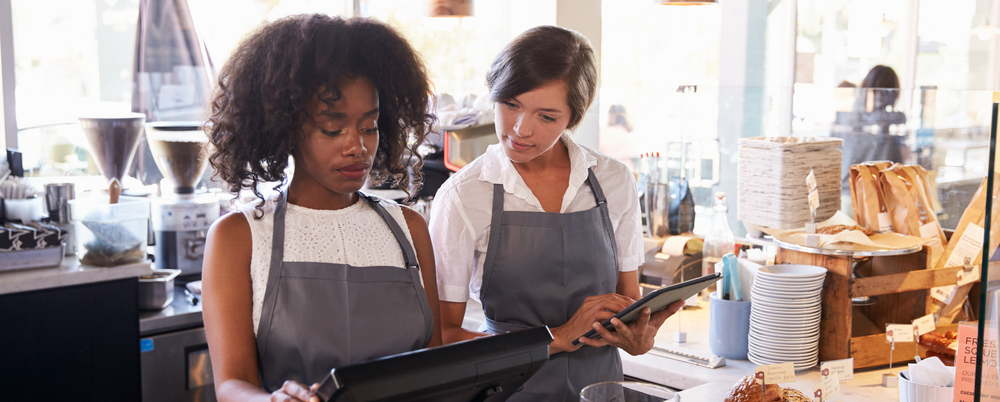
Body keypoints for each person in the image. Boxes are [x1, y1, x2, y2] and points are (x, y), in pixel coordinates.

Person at [429, 25, 683, 401]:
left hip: (601, 390)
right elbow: (442, 336)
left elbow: (627, 303)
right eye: (511, 104)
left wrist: (639, 337)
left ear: (572, 117)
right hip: (508, 391)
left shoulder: (613, 181)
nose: (519, 129)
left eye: (546, 116)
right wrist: (557, 338)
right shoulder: (464, 196)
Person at [201, 15, 441, 402]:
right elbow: (231, 384)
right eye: (333, 128)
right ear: (286, 128)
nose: (357, 147)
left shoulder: (409, 229)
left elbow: (436, 368)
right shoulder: (239, 237)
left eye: (370, 126)